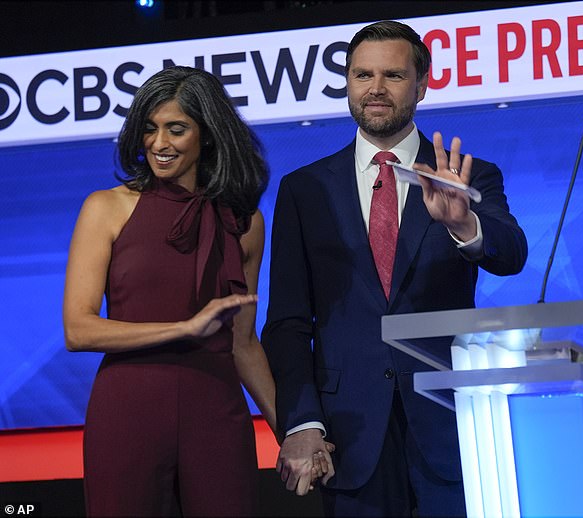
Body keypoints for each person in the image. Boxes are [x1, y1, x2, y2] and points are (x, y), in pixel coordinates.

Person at [261, 20, 528, 517]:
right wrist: (301, 423)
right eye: (362, 75)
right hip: (349, 433)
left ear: (422, 85)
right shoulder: (305, 190)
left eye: (393, 76)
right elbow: (288, 323)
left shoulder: (466, 175)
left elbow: (511, 253)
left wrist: (465, 223)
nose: (376, 89)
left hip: (449, 425)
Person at [63, 65, 309, 517]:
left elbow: (242, 342)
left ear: (207, 135)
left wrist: (291, 433)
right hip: (128, 409)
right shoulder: (105, 208)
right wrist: (185, 327)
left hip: (215, 409)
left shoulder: (245, 222)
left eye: (176, 129)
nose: (159, 143)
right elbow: (79, 329)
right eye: (150, 129)